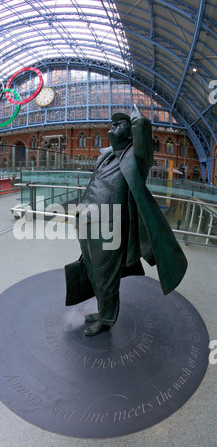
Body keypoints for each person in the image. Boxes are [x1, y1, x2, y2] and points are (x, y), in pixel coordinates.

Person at [65, 105, 188, 336]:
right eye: (113, 123)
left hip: (110, 227)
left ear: (131, 133)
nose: (113, 126)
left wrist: (137, 116)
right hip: (88, 222)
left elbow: (142, 128)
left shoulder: (137, 158)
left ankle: (107, 318)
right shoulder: (105, 156)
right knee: (91, 270)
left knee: (105, 275)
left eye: (120, 124)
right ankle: (103, 311)